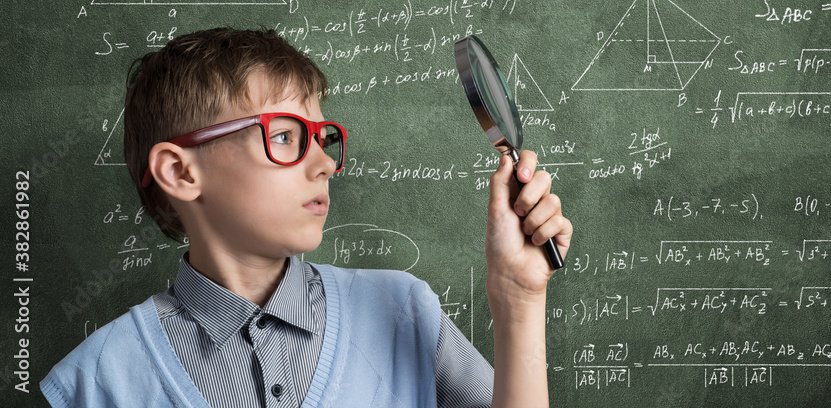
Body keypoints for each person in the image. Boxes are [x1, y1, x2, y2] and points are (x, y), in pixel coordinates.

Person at [41, 27, 572, 407]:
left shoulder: (404, 311)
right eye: (286, 136)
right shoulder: (99, 381)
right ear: (180, 173)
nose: (324, 164)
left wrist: (519, 300)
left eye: (323, 139)